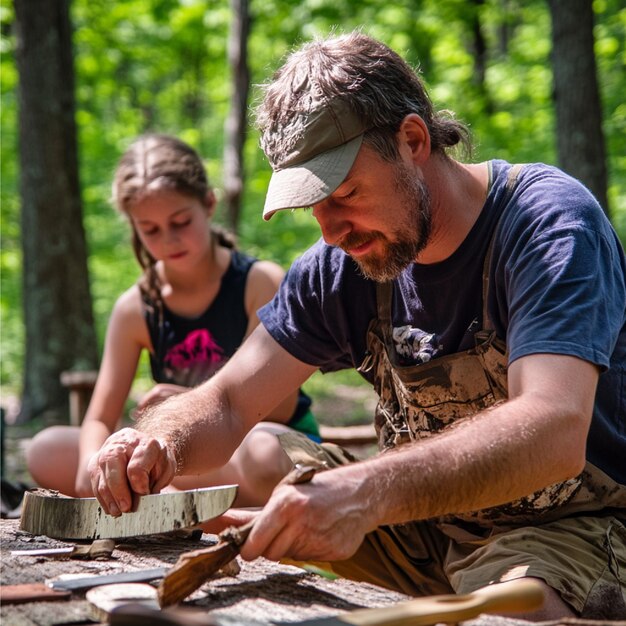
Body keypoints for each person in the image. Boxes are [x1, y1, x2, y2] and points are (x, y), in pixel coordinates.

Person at [87, 34, 626, 619]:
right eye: (313, 206)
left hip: (568, 527)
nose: (331, 231)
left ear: (413, 141)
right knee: (264, 466)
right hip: (422, 522)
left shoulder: (546, 224)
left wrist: (366, 493)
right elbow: (229, 400)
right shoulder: (344, 264)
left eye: (344, 193)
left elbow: (554, 427)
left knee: (515, 613)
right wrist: (158, 439)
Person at [27, 133, 319, 506]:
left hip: (265, 442)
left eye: (181, 221)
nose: (168, 239)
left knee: (262, 454)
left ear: (209, 204)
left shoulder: (259, 282)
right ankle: (170, 498)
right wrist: (91, 466)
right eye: (150, 229)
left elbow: (279, 404)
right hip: (176, 451)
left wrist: (183, 405)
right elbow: (99, 418)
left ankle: (169, 498)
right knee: (46, 449)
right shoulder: (135, 308)